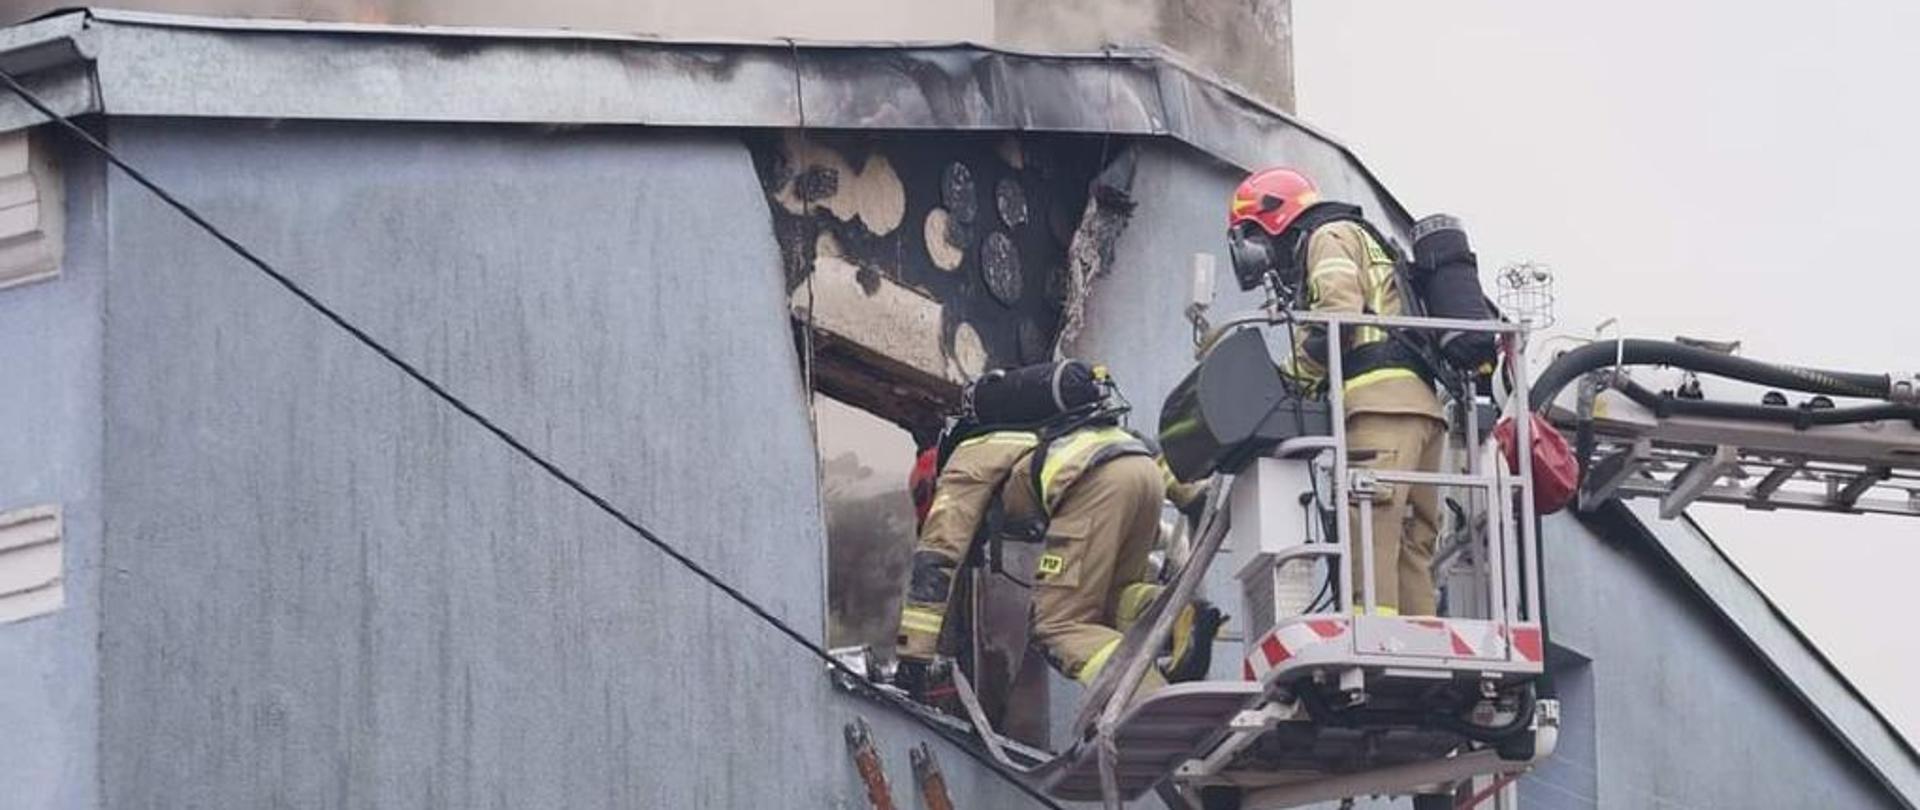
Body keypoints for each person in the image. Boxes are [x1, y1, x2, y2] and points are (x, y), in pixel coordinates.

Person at [894, 365, 1220, 700]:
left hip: (1091, 487)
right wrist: (1188, 494)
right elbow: (1135, 447)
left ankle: (1144, 697)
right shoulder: (1051, 427)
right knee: (1109, 604)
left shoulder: (965, 462)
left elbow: (937, 556)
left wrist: (913, 658)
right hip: (1144, 475)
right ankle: (1179, 613)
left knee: (1057, 625)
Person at [1226, 167, 1447, 617]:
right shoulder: (1363, 237)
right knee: (1409, 537)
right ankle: (1416, 635)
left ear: (1273, 218)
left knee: (1368, 525)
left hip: (1380, 404)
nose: (1260, 254)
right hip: (1421, 407)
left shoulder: (1327, 236)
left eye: (1253, 237)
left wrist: (1289, 377)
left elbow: (1337, 319)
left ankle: (1373, 634)